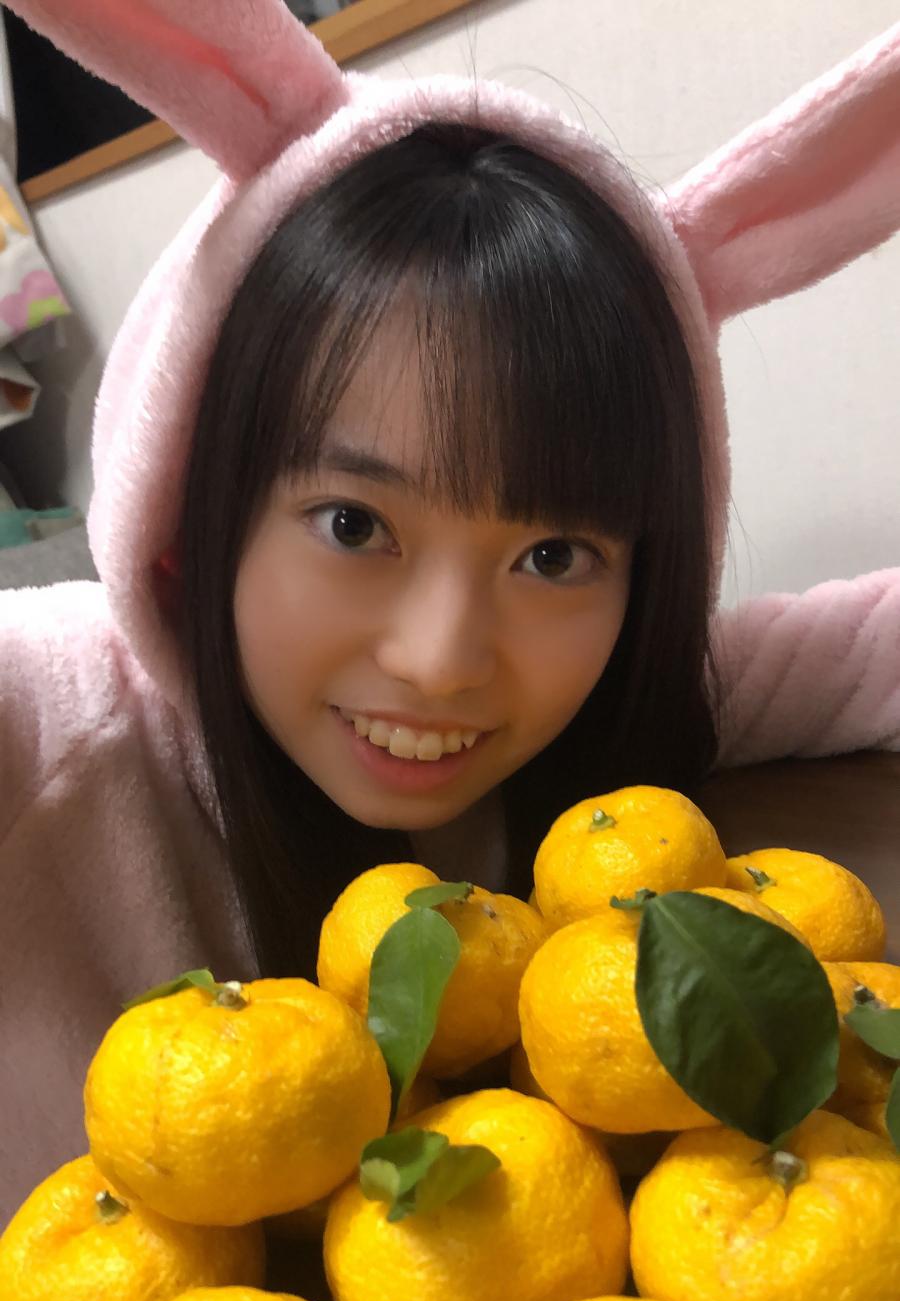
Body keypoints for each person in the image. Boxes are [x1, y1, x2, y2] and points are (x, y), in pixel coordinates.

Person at [1, 1, 898, 1225]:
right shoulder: (56, 719)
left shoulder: (621, 714)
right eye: (353, 525)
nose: (440, 662)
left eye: (553, 554)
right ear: (194, 506)